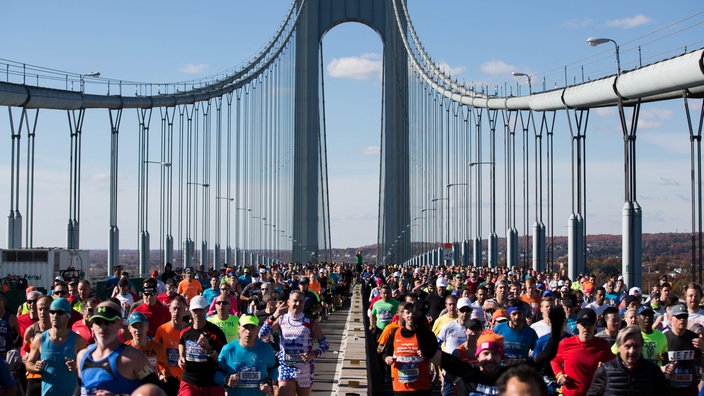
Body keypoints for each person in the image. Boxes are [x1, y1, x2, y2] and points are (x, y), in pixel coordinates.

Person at [77, 300, 160, 395]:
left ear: (120, 324)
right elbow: (78, 391)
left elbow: (157, 392)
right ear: (92, 325)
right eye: (98, 322)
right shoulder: (82, 356)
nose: (103, 327)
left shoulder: (133, 358)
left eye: (108, 322)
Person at [259, 290, 329, 396]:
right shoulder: (281, 319)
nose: (297, 304)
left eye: (301, 302)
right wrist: (274, 316)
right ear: (288, 302)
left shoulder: (310, 322)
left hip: (304, 370)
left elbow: (325, 344)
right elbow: (261, 335)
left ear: (304, 304)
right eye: (295, 301)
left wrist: (313, 354)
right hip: (286, 367)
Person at [25, 298, 87, 396]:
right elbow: (29, 363)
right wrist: (35, 367)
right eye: (52, 312)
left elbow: (88, 366)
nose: (55, 316)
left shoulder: (78, 340)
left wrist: (76, 366)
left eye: (59, 313)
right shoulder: (40, 339)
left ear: (68, 316)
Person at [587, 325, 668, 396]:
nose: (632, 351)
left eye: (636, 346)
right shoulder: (605, 370)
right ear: (619, 347)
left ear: (642, 346)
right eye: (627, 346)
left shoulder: (653, 370)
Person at [550, 308, 613, 396]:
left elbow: (613, 366)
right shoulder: (566, 343)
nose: (586, 328)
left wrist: (605, 369)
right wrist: (559, 374)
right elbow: (554, 360)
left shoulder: (603, 345)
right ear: (577, 325)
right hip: (571, 393)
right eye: (583, 324)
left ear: (595, 325)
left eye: (589, 324)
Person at [381, 301, 438, 395]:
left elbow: (436, 355)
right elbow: (385, 353)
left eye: (413, 313)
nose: (410, 315)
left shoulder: (427, 334)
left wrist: (426, 354)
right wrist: (387, 358)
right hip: (401, 387)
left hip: (421, 387)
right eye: (407, 313)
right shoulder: (395, 333)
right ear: (402, 315)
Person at [178, 295, 228, 395]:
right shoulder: (185, 331)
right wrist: (181, 357)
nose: (197, 314)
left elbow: (224, 361)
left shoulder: (216, 333)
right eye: (195, 310)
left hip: (212, 383)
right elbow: (181, 342)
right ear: (190, 311)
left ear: (206, 309)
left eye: (200, 310)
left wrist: (209, 349)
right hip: (190, 381)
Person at [216, 315, 277, 395]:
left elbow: (274, 369)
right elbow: (217, 373)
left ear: (258, 329)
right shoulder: (228, 349)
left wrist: (269, 383)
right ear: (238, 328)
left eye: (252, 327)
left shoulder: (266, 349)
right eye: (245, 327)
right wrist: (226, 380)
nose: (248, 331)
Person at [663, 304, 702, 396]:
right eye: (679, 317)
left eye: (685, 317)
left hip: (689, 390)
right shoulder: (664, 338)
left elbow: (701, 363)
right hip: (670, 389)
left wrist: (703, 350)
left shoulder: (694, 338)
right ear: (671, 319)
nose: (682, 320)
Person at [154, 295, 189, 392]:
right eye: (174, 308)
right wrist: (160, 373)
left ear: (185, 310)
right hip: (167, 378)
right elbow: (155, 354)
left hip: (186, 379)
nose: (176, 312)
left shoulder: (189, 330)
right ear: (169, 309)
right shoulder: (162, 330)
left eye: (179, 309)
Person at [126, 312, 171, 383]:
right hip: (132, 388)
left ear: (147, 327)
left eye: (141, 326)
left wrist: (170, 381)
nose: (137, 330)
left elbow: (164, 367)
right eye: (135, 327)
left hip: (151, 387)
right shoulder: (124, 349)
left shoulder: (158, 348)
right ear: (129, 329)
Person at [493, 299, 538, 363]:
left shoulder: (530, 332)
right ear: (509, 315)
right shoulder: (499, 329)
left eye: (519, 313)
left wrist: (530, 361)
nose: (517, 317)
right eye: (514, 314)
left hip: (521, 370)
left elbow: (538, 351)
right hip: (502, 370)